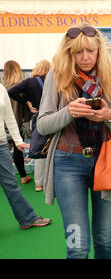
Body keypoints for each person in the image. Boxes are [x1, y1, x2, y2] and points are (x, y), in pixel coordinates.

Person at [37, 23, 111, 259]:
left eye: (90, 51)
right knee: (77, 247)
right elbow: (42, 124)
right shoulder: (56, 77)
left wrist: (109, 116)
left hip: (106, 162)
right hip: (67, 162)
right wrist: (69, 111)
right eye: (78, 51)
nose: (85, 57)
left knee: (104, 238)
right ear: (69, 53)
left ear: (99, 51)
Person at [0, 82, 51, 230]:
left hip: (2, 144)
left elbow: (8, 116)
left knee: (11, 184)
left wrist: (17, 141)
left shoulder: (1, 88)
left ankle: (27, 218)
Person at [8, 59, 52, 192]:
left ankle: (39, 183)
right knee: (53, 150)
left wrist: (26, 102)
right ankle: (50, 182)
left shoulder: (29, 82)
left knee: (38, 149)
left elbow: (11, 92)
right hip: (52, 118)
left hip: (36, 118)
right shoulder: (53, 81)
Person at [2, 60, 32, 185]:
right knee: (17, 148)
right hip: (17, 121)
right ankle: (23, 176)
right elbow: (26, 107)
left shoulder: (2, 87)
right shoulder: (21, 86)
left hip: (2, 123)